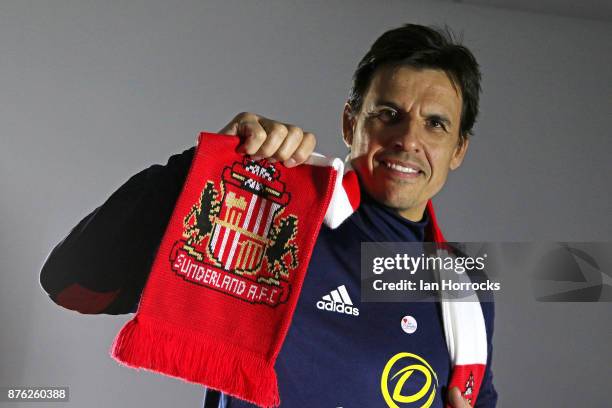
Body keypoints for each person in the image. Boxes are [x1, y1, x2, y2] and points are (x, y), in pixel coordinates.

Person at [40, 24, 497, 407]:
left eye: (435, 123)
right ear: (349, 123)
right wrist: (202, 172)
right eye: (388, 114)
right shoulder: (274, 216)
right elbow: (74, 285)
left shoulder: (465, 286)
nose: (407, 140)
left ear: (458, 149)